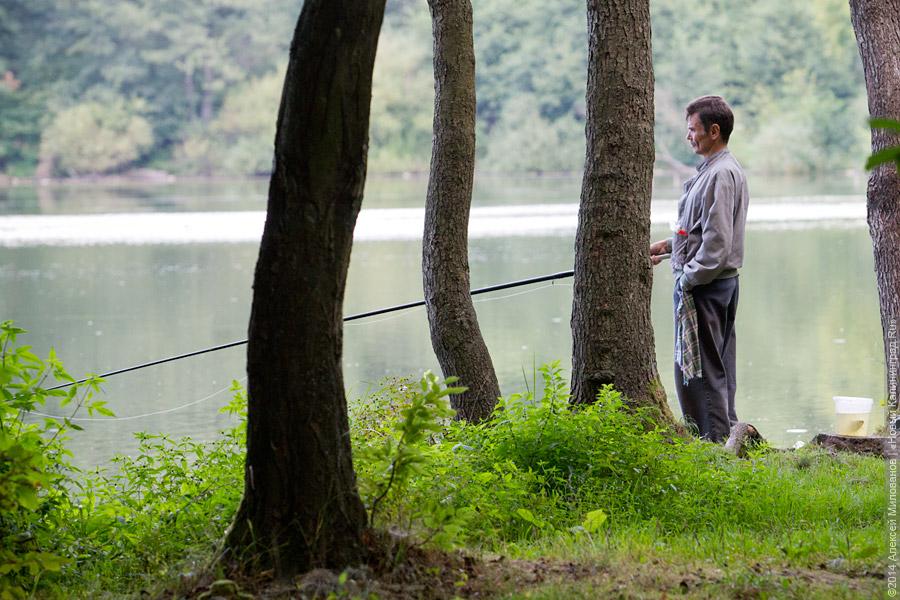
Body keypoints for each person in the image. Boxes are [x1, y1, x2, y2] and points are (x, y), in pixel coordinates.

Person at [650, 95, 749, 443]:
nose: (688, 136)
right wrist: (667, 248)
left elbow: (717, 243)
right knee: (715, 368)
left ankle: (715, 444)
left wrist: (688, 280)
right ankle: (725, 437)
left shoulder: (722, 174)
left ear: (714, 131)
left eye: (693, 130)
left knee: (702, 373)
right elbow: (699, 231)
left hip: (708, 286)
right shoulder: (714, 170)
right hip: (714, 283)